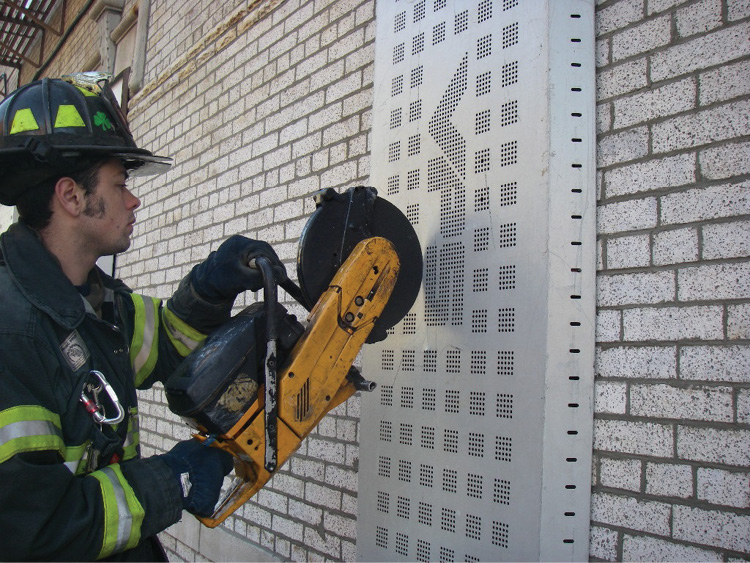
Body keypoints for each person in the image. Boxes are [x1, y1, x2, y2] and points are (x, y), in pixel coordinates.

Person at [0, 73, 286, 560]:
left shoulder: (95, 303)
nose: (134, 200)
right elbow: (32, 529)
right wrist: (169, 479)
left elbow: (170, 345)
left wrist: (208, 287)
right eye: (120, 184)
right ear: (72, 197)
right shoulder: (13, 332)